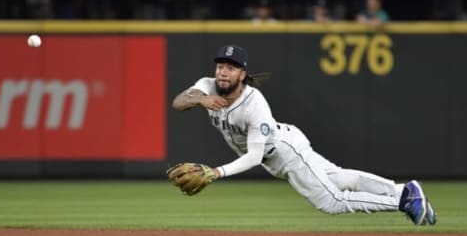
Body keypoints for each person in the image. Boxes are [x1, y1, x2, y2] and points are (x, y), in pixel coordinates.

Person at [171, 45, 437, 226]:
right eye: (220, 65)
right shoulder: (206, 86)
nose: (223, 71)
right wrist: (200, 101)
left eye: (231, 67)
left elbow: (253, 156)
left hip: (285, 151)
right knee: (339, 177)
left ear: (242, 73)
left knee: (332, 202)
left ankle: (402, 201)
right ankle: (405, 190)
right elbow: (179, 101)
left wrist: (217, 172)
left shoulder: (255, 104)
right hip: (280, 149)